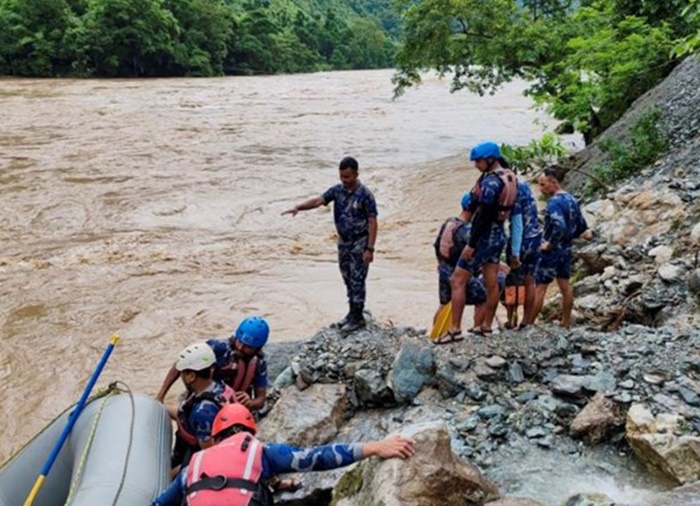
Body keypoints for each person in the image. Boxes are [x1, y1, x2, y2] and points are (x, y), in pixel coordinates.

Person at [152, 404, 416, 506]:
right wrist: (374, 447)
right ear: (250, 433)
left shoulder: (192, 467)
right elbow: (319, 458)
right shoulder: (263, 453)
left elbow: (159, 505)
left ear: (217, 436)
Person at [282, 156, 378, 333]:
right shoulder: (337, 190)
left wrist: (369, 249)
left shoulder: (365, 195)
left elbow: (373, 222)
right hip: (343, 242)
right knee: (347, 277)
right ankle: (351, 313)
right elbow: (318, 201)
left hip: (360, 242)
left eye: (348, 176)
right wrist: (298, 207)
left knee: (358, 279)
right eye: (342, 176)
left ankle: (358, 318)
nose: (344, 180)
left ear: (356, 174)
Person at [439, 142, 518, 343]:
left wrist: (471, 244)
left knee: (457, 280)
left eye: (478, 161)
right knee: (492, 283)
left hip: (484, 236)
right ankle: (486, 327)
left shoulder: (491, 182)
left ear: (490, 159)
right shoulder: (509, 176)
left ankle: (455, 329)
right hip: (499, 233)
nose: (476, 165)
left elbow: (483, 215)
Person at [156, 316, 270, 414]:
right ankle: (166, 410)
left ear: (258, 348)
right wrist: (161, 395)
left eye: (248, 347)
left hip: (234, 408)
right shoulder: (218, 348)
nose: (241, 347)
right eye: (240, 342)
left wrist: (250, 403)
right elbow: (181, 362)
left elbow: (261, 399)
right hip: (205, 399)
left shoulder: (259, 363)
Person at [533, 167, 593, 328]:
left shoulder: (554, 202)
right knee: (565, 287)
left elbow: (559, 225)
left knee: (540, 288)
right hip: (566, 250)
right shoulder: (572, 200)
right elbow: (582, 227)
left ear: (554, 182)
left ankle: (528, 324)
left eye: (543, 184)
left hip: (552, 252)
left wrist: (549, 243)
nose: (541, 189)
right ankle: (565, 322)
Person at [170, 342, 236, 474]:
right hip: (209, 441)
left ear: (191, 376)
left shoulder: (202, 412)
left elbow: (207, 455)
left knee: (169, 476)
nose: (181, 377)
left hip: (198, 454)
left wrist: (174, 473)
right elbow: (183, 414)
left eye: (183, 373)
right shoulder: (219, 387)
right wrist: (161, 407)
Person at [433, 192, 489, 336]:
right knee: (483, 297)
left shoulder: (448, 222)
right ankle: (477, 330)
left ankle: (435, 333)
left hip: (443, 269)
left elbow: (436, 245)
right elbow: (475, 253)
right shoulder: (466, 231)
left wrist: (440, 263)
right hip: (457, 272)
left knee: (444, 304)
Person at [507, 175, 543, 329]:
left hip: (522, 240)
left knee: (513, 281)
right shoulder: (524, 185)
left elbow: (517, 223)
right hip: (535, 237)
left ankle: (511, 319)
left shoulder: (511, 190)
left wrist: (514, 252)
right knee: (530, 281)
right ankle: (526, 321)